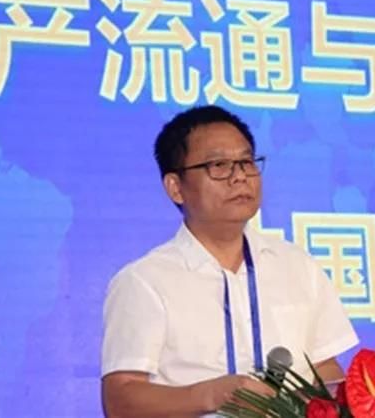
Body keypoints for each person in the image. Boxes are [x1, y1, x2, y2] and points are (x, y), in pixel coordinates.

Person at [101, 105, 358, 417]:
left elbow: (325, 368)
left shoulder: (298, 266)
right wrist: (211, 395)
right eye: (219, 165)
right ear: (176, 188)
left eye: (246, 162)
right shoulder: (144, 281)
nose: (239, 177)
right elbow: (120, 400)